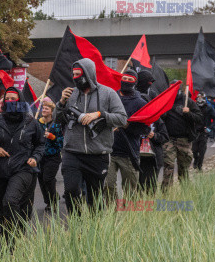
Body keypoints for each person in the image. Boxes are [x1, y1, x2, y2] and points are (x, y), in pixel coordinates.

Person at [55, 58, 127, 214]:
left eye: (78, 74)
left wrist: (100, 115)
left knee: (94, 198)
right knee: (71, 191)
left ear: (88, 74)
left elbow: (122, 118)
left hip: (97, 153)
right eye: (73, 74)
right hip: (72, 152)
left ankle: (94, 229)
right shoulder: (70, 94)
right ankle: (77, 226)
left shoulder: (108, 93)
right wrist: (61, 103)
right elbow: (57, 119)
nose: (75, 77)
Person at [0, 87, 45, 237]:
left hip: (23, 169)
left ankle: (14, 238)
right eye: (7, 99)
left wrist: (35, 157)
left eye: (14, 98)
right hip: (0, 170)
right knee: (3, 205)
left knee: (10, 201)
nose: (10, 101)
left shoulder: (31, 122)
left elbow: (40, 144)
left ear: (21, 101)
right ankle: (7, 236)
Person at [104, 70, 150, 200]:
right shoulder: (111, 98)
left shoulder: (140, 103)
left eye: (130, 80)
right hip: (109, 151)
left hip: (129, 154)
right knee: (108, 185)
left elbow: (145, 129)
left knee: (130, 190)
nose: (127, 82)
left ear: (135, 82)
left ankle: (129, 216)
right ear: (120, 79)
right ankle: (113, 214)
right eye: (125, 78)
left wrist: (127, 126)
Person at [161, 81, 202, 189]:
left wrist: (188, 112)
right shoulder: (166, 100)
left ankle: (185, 192)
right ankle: (165, 194)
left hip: (184, 140)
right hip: (169, 139)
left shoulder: (188, 102)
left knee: (183, 168)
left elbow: (199, 118)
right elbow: (158, 118)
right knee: (168, 166)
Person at [136, 70, 169, 193]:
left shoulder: (157, 120)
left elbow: (165, 136)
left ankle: (150, 208)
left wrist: (153, 135)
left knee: (151, 185)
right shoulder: (134, 120)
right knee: (137, 185)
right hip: (137, 156)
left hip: (153, 156)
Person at [37, 100, 63, 212]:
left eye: (47, 108)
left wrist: (52, 137)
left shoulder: (57, 124)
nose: (44, 110)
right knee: (41, 180)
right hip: (39, 156)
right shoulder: (37, 123)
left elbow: (62, 142)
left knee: (48, 178)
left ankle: (53, 202)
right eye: (43, 108)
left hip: (53, 156)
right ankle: (49, 201)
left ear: (52, 112)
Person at [192, 93, 215, 170]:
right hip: (195, 131)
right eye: (198, 97)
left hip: (204, 132)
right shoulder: (194, 106)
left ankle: (200, 165)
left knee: (202, 150)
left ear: (204, 98)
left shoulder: (209, 107)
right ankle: (196, 159)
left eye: (201, 97)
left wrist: (209, 128)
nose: (200, 99)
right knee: (194, 150)